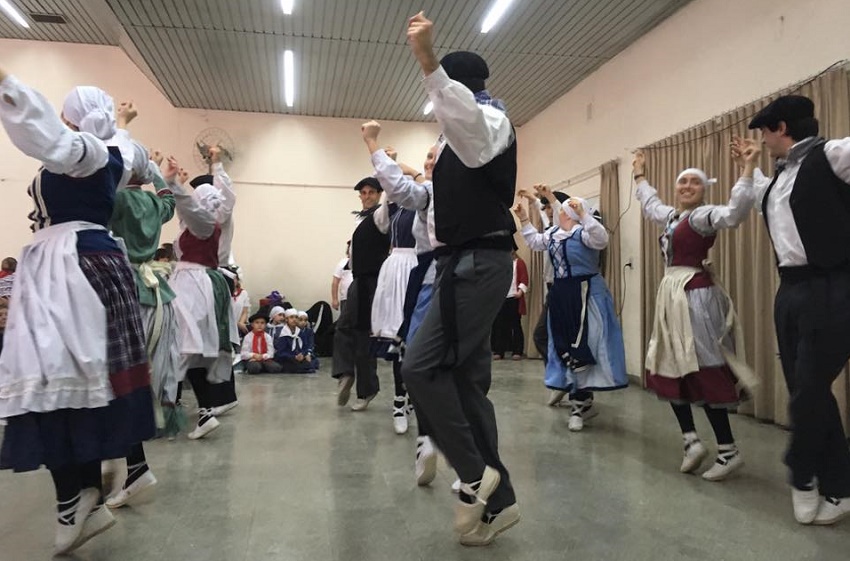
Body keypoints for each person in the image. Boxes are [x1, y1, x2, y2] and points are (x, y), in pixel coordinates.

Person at [0, 72, 155, 555]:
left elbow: (50, 138)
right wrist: (122, 124)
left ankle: (77, 495)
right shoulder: (111, 150)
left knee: (52, 376)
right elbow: (133, 155)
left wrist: (8, 84)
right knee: (76, 379)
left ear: (73, 118)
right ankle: (87, 491)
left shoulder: (85, 151)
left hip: (71, 268)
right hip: (86, 262)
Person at [400, 13, 519, 546]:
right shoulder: (458, 135)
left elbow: (469, 131)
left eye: (446, 89)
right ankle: (500, 504)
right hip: (462, 262)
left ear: (462, 86)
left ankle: (475, 475)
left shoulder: (490, 117)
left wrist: (429, 63)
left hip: (477, 261)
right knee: (467, 385)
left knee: (420, 368)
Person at [736, 95, 850, 525]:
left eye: (764, 134)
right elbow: (755, 193)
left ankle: (801, 474)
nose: (762, 142)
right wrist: (749, 165)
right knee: (810, 391)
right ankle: (840, 486)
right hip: (791, 291)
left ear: (781, 128)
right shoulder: (779, 179)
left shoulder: (833, 155)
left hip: (833, 286)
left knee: (807, 390)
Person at [634, 147, 758, 482]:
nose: (687, 186)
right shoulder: (673, 217)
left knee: (703, 364)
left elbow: (734, 213)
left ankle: (728, 450)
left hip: (696, 296)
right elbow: (650, 204)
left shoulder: (703, 217)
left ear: (703, 189)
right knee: (669, 362)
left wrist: (747, 168)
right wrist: (639, 174)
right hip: (672, 294)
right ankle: (691, 440)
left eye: (694, 182)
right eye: (682, 182)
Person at [105, 114, 183, 508]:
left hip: (126, 288)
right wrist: (162, 174)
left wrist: (122, 128)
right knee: (140, 373)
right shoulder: (155, 203)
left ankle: (121, 458)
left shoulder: (115, 199)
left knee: (116, 373)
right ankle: (128, 455)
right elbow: (169, 198)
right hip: (158, 292)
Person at [515, 185, 628, 431]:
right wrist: (524, 218)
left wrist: (582, 214)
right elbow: (535, 240)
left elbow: (601, 238)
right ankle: (578, 397)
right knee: (562, 343)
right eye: (563, 209)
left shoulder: (585, 233)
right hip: (561, 294)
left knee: (585, 344)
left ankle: (580, 402)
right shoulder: (555, 234)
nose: (563, 212)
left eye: (570, 209)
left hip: (587, 294)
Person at [166, 148, 238, 439]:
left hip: (192, 285)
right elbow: (218, 198)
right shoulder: (206, 222)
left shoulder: (204, 223)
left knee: (182, 346)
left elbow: (188, 207)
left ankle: (169, 404)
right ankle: (204, 410)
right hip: (195, 283)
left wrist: (171, 183)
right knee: (193, 350)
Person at [332, 177, 389, 410]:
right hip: (358, 280)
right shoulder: (361, 221)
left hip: (373, 281)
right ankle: (346, 373)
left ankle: (366, 390)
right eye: (363, 193)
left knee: (364, 334)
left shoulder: (381, 216)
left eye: (371, 192)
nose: (366, 196)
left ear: (379, 194)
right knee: (344, 326)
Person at [491, 247, 528, 361]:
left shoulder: (519, 263)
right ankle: (499, 350)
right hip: (501, 297)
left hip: (514, 297)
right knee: (499, 325)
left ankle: (517, 351)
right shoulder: (499, 264)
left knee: (515, 324)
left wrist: (520, 291)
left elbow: (524, 279)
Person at [275, 309, 315, 373]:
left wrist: (303, 354)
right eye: (291, 317)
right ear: (286, 319)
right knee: (295, 367)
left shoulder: (299, 332)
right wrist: (293, 357)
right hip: (287, 358)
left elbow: (305, 346)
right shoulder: (283, 333)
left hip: (298, 357)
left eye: (296, 317)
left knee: (310, 365)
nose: (294, 320)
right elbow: (280, 352)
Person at [331, 242, 353, 313]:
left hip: (359, 297)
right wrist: (335, 299)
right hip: (346, 298)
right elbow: (335, 282)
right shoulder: (343, 263)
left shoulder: (362, 262)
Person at [231, 270, 251, 337]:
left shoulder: (243, 293)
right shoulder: (223, 294)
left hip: (239, 326)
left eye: (234, 278)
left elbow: (245, 311)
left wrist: (241, 323)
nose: (233, 281)